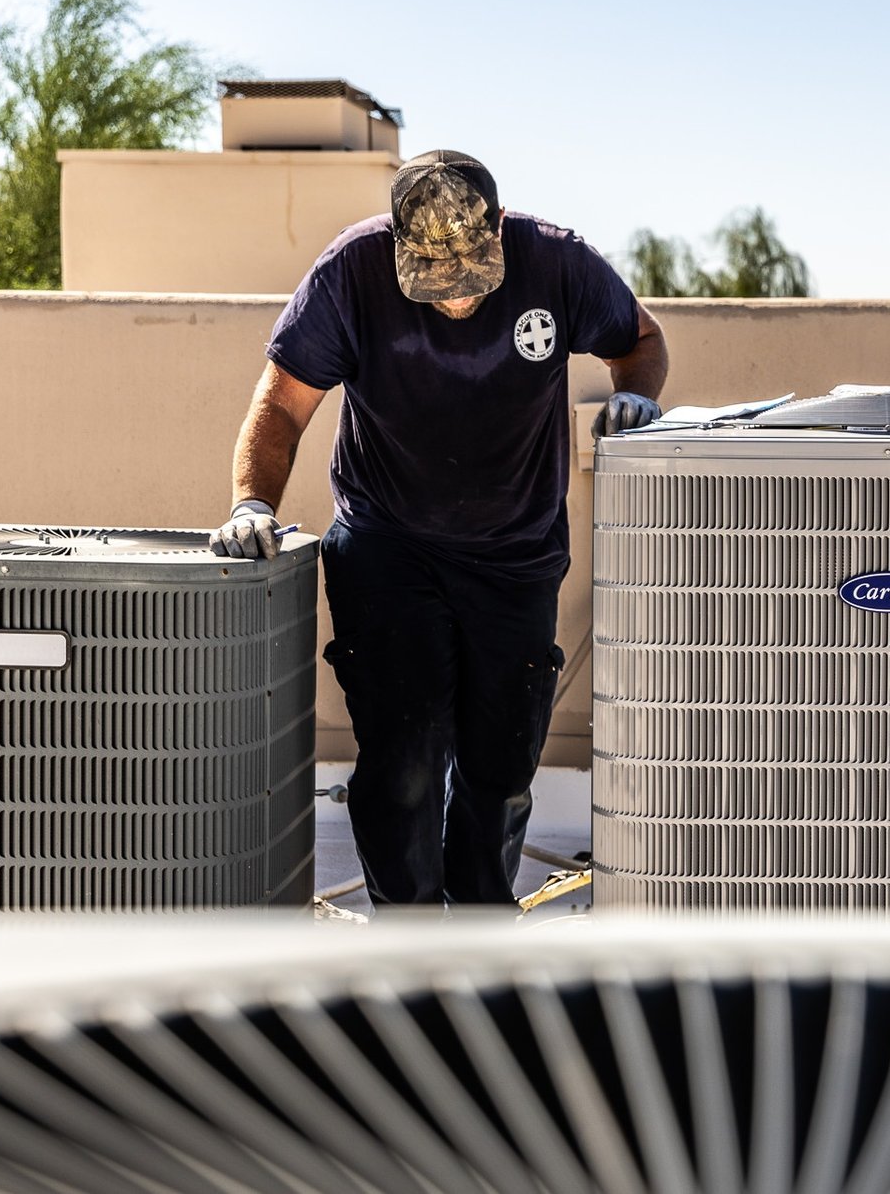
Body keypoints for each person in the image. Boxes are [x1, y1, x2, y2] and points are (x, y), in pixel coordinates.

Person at [210, 149, 667, 907]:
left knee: (500, 765)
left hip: (516, 552)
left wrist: (638, 400)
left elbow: (641, 342)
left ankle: (480, 931)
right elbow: (281, 406)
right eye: (435, 281)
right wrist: (249, 502)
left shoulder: (556, 260)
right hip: (390, 542)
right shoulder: (350, 273)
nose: (455, 300)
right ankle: (409, 938)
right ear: (396, 247)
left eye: (471, 280)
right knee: (405, 760)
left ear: (498, 235)